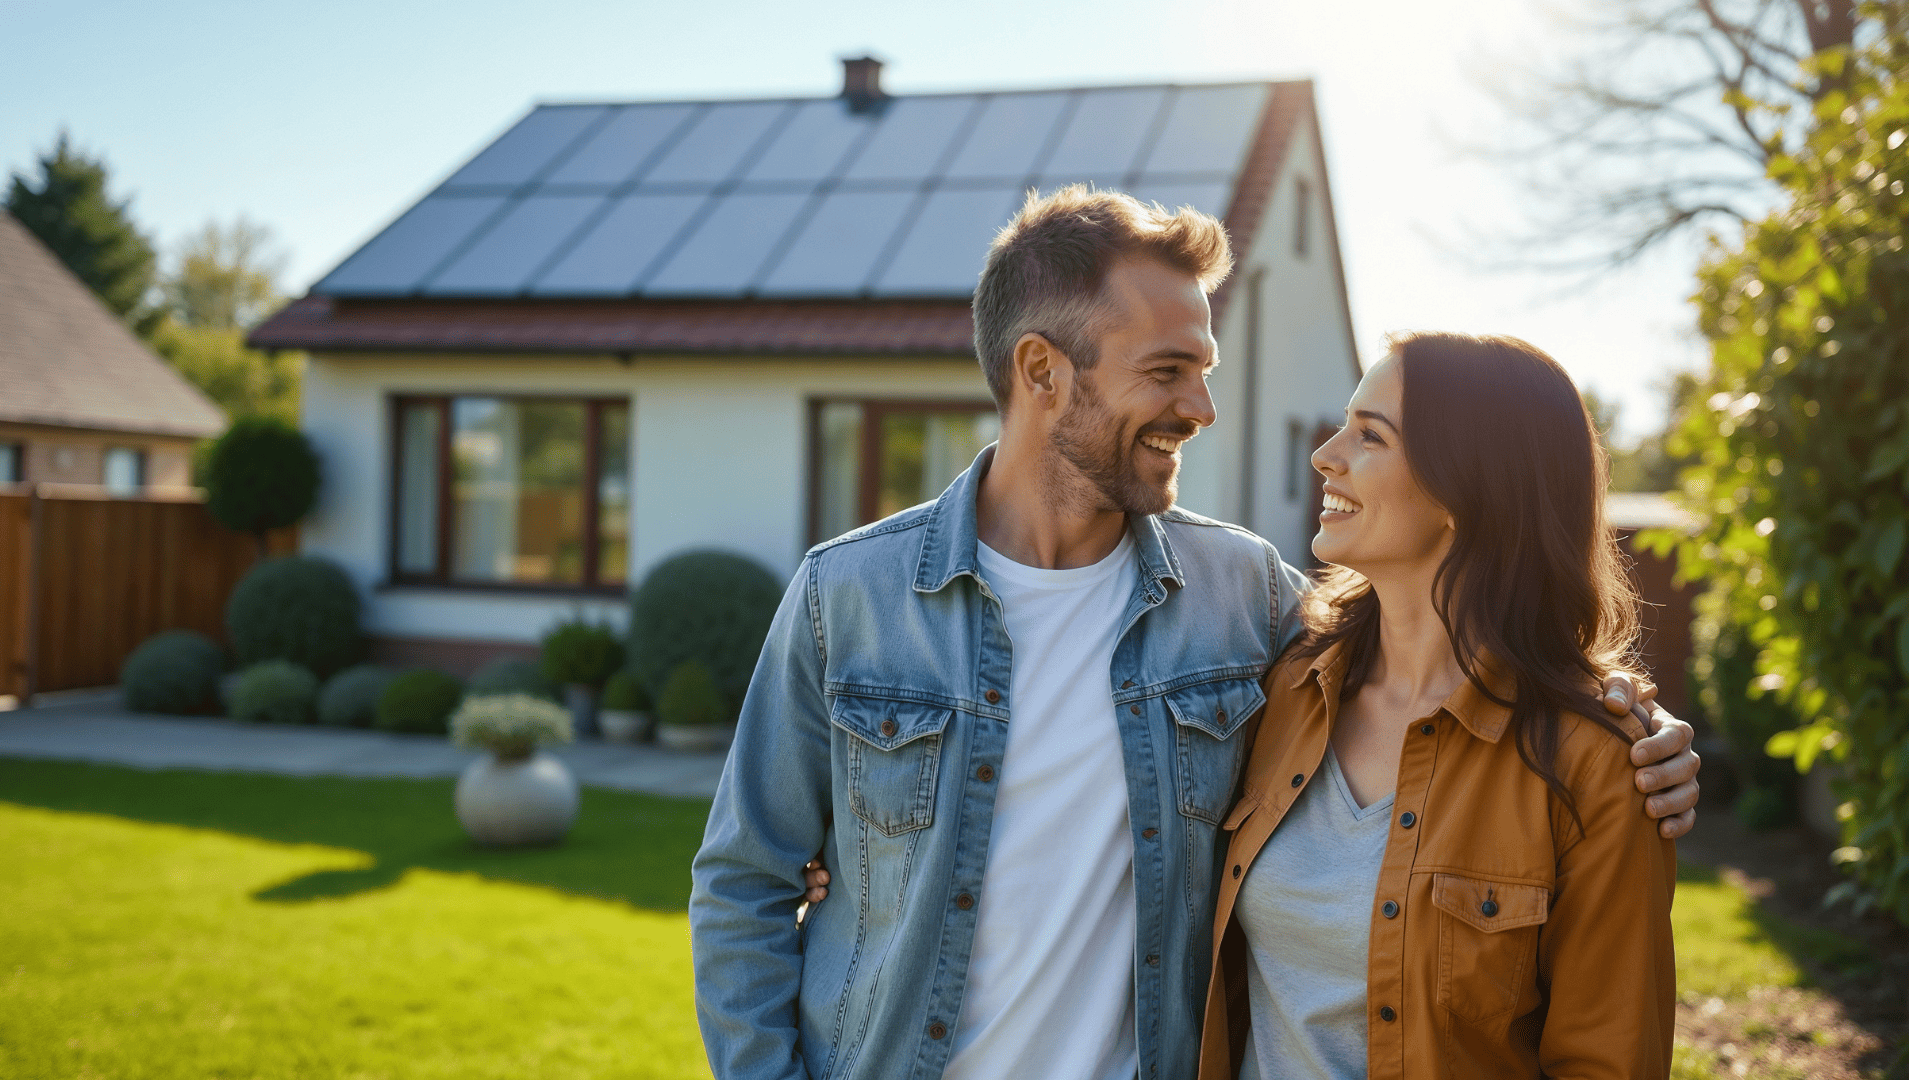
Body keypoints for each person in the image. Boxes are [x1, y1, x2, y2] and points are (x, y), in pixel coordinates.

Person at [690, 187, 1698, 1080]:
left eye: (1205, 369)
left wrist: (1631, 725)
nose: (1203, 408)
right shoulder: (849, 596)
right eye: (1168, 371)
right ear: (1043, 371)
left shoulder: (1245, 598)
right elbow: (746, 880)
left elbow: (1458, 650)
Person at [1200, 333, 1676, 1080]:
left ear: (1465, 487)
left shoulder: (1596, 761)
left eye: (1370, 435)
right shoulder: (1284, 689)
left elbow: (1607, 1059)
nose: (1326, 454)